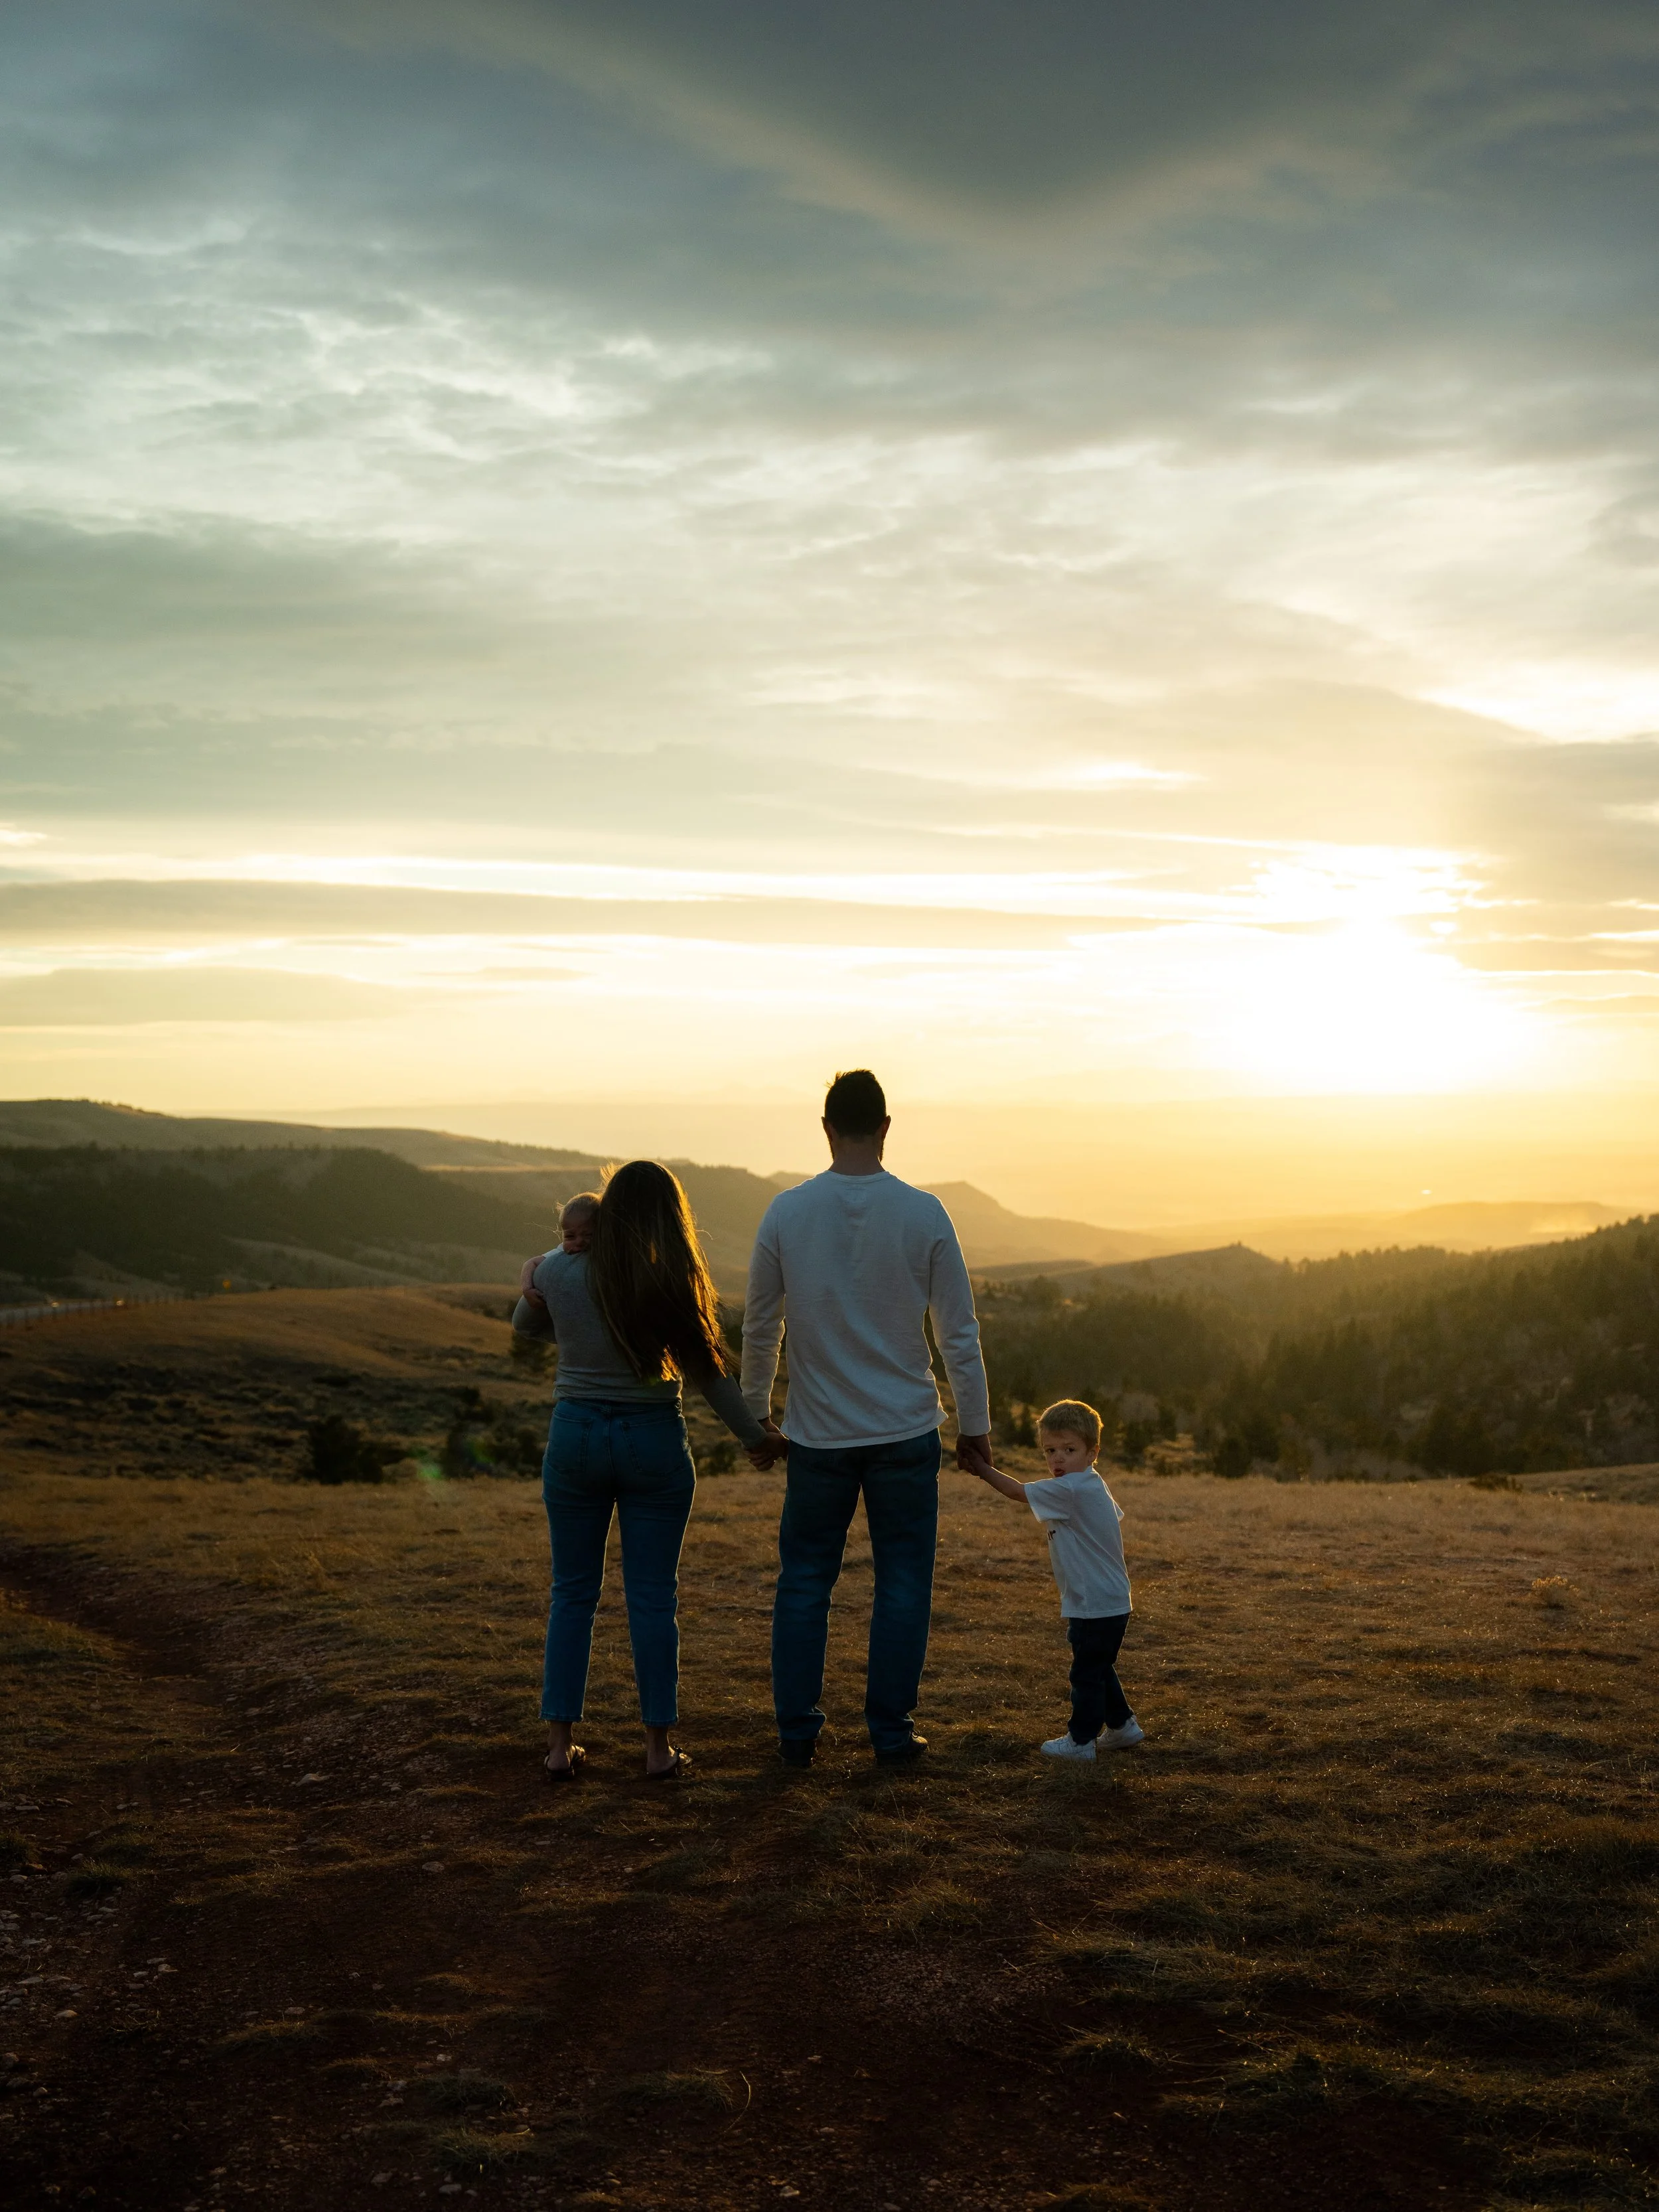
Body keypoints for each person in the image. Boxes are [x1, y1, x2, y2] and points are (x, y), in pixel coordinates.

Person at [741, 1069, 993, 1767]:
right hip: (905, 1431)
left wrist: (756, 1419)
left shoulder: (786, 1213)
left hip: (816, 1436)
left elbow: (761, 1327)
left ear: (825, 1129)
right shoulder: (924, 1212)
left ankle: (797, 1735)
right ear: (886, 1127)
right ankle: (890, 1733)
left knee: (803, 1584)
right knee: (904, 1585)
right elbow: (959, 1333)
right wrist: (975, 1424)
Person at [514, 1163, 773, 1781]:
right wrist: (756, 1438)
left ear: (605, 1213)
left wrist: (536, 1272)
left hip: (574, 1434)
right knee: (653, 1598)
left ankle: (558, 1746)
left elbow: (525, 1328)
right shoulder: (669, 1280)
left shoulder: (559, 1268)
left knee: (572, 1593)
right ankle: (658, 1751)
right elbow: (709, 1375)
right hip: (652, 1438)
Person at [964, 1398, 1143, 1761]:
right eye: (1050, 1451)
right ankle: (1122, 1726)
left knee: (1086, 1673)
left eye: (1069, 1450)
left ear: (1093, 1451)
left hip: (1094, 1601)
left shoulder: (1072, 1489)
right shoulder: (1092, 1484)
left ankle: (1080, 1742)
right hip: (1104, 1599)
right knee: (1097, 1665)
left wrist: (982, 1467)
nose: (1058, 1459)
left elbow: (1017, 1492)